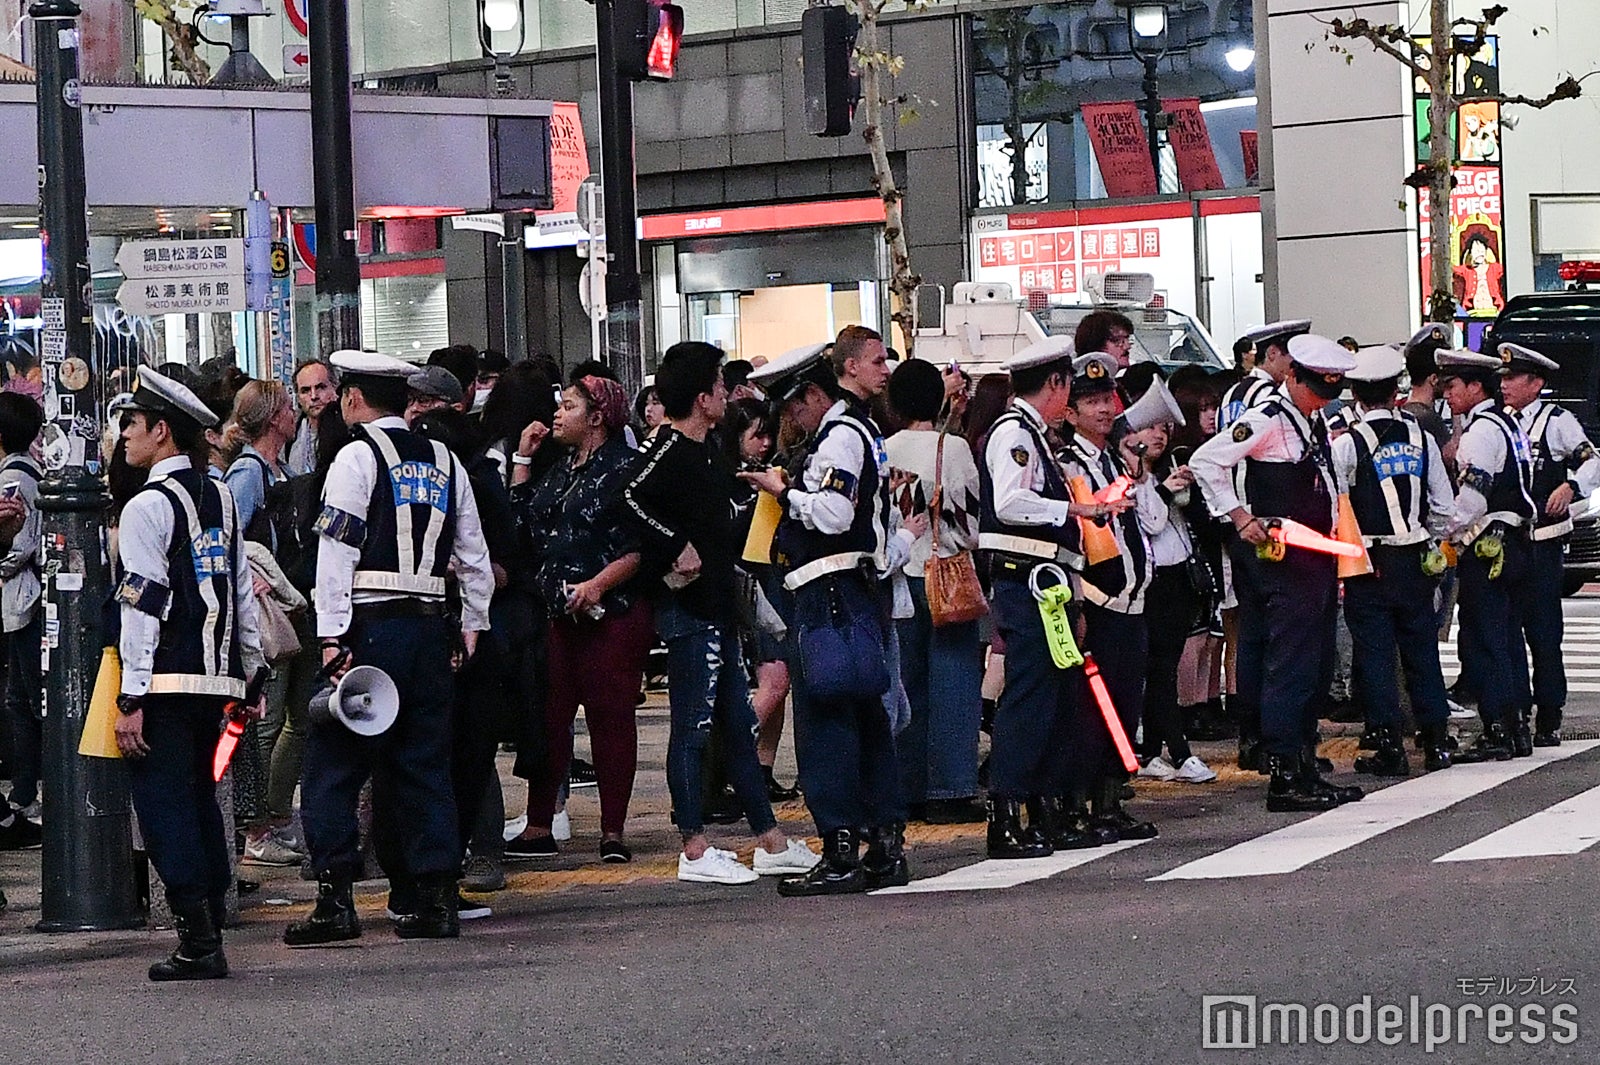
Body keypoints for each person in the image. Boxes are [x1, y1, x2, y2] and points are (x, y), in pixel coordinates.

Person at [285, 350, 493, 946]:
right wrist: (472, 622)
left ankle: (335, 900)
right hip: (429, 630)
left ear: (353, 398)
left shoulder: (356, 457)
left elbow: (336, 554)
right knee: (424, 767)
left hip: (368, 630)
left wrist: (331, 638)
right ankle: (434, 898)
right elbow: (473, 554)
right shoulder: (446, 461)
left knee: (333, 766)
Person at [623, 342, 820, 884]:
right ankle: (694, 847)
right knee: (692, 728)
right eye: (717, 384)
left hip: (718, 605)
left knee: (737, 726)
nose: (725, 395)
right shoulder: (668, 449)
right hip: (688, 610)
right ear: (700, 396)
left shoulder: (707, 449)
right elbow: (629, 498)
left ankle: (770, 840)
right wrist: (673, 546)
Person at [740, 327, 917, 895]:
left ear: (815, 394)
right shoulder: (859, 430)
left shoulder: (839, 436)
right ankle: (883, 847)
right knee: (866, 719)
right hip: (853, 595)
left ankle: (841, 850)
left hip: (828, 597)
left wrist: (784, 492)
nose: (792, 417)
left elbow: (836, 516)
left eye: (796, 404)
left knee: (827, 723)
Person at [113, 367, 267, 980]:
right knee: (203, 802)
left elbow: (143, 604)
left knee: (165, 809)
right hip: (218, 686)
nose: (124, 434)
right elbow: (240, 591)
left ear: (161, 431)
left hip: (166, 685)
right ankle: (209, 930)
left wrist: (131, 697)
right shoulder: (220, 495)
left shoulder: (147, 506)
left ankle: (198, 942)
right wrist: (251, 674)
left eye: (132, 423)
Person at [1189, 334, 1365, 812]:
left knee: (1315, 666)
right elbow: (1206, 461)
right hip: (1284, 562)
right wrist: (1240, 517)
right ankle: (1285, 773)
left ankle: (1304, 763)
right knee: (1290, 666)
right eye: (1316, 388)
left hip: (1316, 559)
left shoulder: (1313, 419)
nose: (1322, 399)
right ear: (1293, 376)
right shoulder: (1267, 418)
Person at [976, 337, 1126, 857]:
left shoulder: (1035, 435)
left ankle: (1042, 809)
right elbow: (1010, 502)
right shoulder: (1014, 433)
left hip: (1049, 585)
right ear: (1056, 384)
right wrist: (1072, 511)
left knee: (1055, 698)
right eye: (1068, 386)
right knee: (1029, 699)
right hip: (1025, 583)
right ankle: (1006, 814)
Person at [504, 375, 651, 863]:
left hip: (611, 614)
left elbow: (640, 547)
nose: (558, 414)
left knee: (611, 718)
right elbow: (523, 526)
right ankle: (538, 825)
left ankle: (612, 831)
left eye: (568, 406)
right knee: (549, 719)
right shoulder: (561, 469)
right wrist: (522, 460)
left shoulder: (625, 468)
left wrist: (597, 585)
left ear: (597, 418)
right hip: (559, 614)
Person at [1330, 344, 1456, 775]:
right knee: (1422, 650)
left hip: (1369, 561)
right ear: (1395, 391)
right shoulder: (1422, 438)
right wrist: (1426, 538)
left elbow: (1337, 506)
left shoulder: (1348, 444)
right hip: (1415, 558)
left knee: (1375, 656)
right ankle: (1436, 740)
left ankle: (1389, 746)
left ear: (1355, 394)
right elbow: (1444, 506)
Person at [1060, 353, 1159, 838]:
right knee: (1093, 710)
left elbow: (1148, 520)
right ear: (1070, 412)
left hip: (1133, 601)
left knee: (1124, 704)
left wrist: (1140, 471)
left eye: (1107, 400)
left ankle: (1110, 800)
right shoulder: (1068, 464)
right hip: (1099, 601)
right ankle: (1082, 804)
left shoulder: (1115, 460)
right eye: (1091, 402)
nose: (1103, 409)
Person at [884, 358, 985, 824]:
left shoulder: (883, 448)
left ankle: (906, 787)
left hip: (901, 576)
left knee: (905, 685)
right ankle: (950, 788)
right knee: (955, 683)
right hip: (946, 576)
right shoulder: (954, 448)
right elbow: (970, 526)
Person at [1438, 347, 1536, 762]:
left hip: (1487, 546)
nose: (1447, 394)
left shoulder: (1480, 432)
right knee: (1509, 638)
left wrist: (1442, 532)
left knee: (1486, 639)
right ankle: (1517, 727)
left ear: (1475, 386)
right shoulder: (1508, 423)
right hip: (1516, 542)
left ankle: (1497, 729)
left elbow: (1473, 498)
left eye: (1453, 386)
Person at [1498, 342, 1596, 747]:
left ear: (1535, 383)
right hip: (1507, 544)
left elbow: (1592, 461)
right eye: (1502, 378)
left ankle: (1550, 714)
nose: (1504, 385)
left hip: (1544, 545)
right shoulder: (1498, 422)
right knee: (1507, 634)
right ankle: (1518, 712)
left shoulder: (1557, 422)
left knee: (1543, 633)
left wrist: (1571, 486)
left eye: (1512, 378)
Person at [1122, 391, 1215, 784]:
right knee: (1160, 671)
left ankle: (1150, 752)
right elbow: (1152, 522)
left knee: (1164, 668)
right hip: (1152, 582)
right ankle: (1179, 752)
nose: (1159, 435)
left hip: (1180, 579)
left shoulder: (1163, 470)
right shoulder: (1128, 476)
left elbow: (1199, 522)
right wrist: (1163, 490)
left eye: (1163, 428)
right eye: (1150, 428)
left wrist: (1188, 493)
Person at [0, 393, 43, 832]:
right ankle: (24, 791)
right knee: (21, 699)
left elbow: (19, 544)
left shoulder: (13, 478)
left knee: (29, 701)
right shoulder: (28, 470)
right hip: (21, 602)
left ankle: (28, 793)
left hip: (24, 601)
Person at [1217, 320, 1310, 432]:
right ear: (1272, 353)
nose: (1300, 364)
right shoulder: (1273, 396)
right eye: (1295, 357)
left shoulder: (1231, 393)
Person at [288, 359, 338, 475]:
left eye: (321, 387)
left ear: (334, 388)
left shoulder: (350, 430)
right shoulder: (291, 435)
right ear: (298, 398)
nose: (314, 396)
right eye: (305, 391)